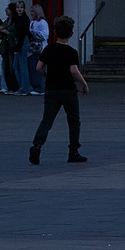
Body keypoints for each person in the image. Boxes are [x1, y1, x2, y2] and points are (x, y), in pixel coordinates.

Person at [29, 14, 88, 165]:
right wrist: (84, 83)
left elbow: (39, 67)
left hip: (51, 89)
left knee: (47, 119)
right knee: (73, 120)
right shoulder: (71, 52)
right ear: (71, 34)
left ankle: (37, 145)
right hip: (68, 89)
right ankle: (73, 151)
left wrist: (47, 75)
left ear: (55, 32)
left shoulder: (49, 49)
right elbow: (74, 70)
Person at [24, 6, 50, 95]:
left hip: (40, 48)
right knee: (32, 68)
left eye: (33, 12)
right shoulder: (32, 22)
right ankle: (36, 86)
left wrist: (34, 33)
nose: (31, 13)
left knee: (38, 68)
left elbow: (45, 35)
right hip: (32, 49)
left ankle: (40, 87)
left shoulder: (42, 23)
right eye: (30, 11)